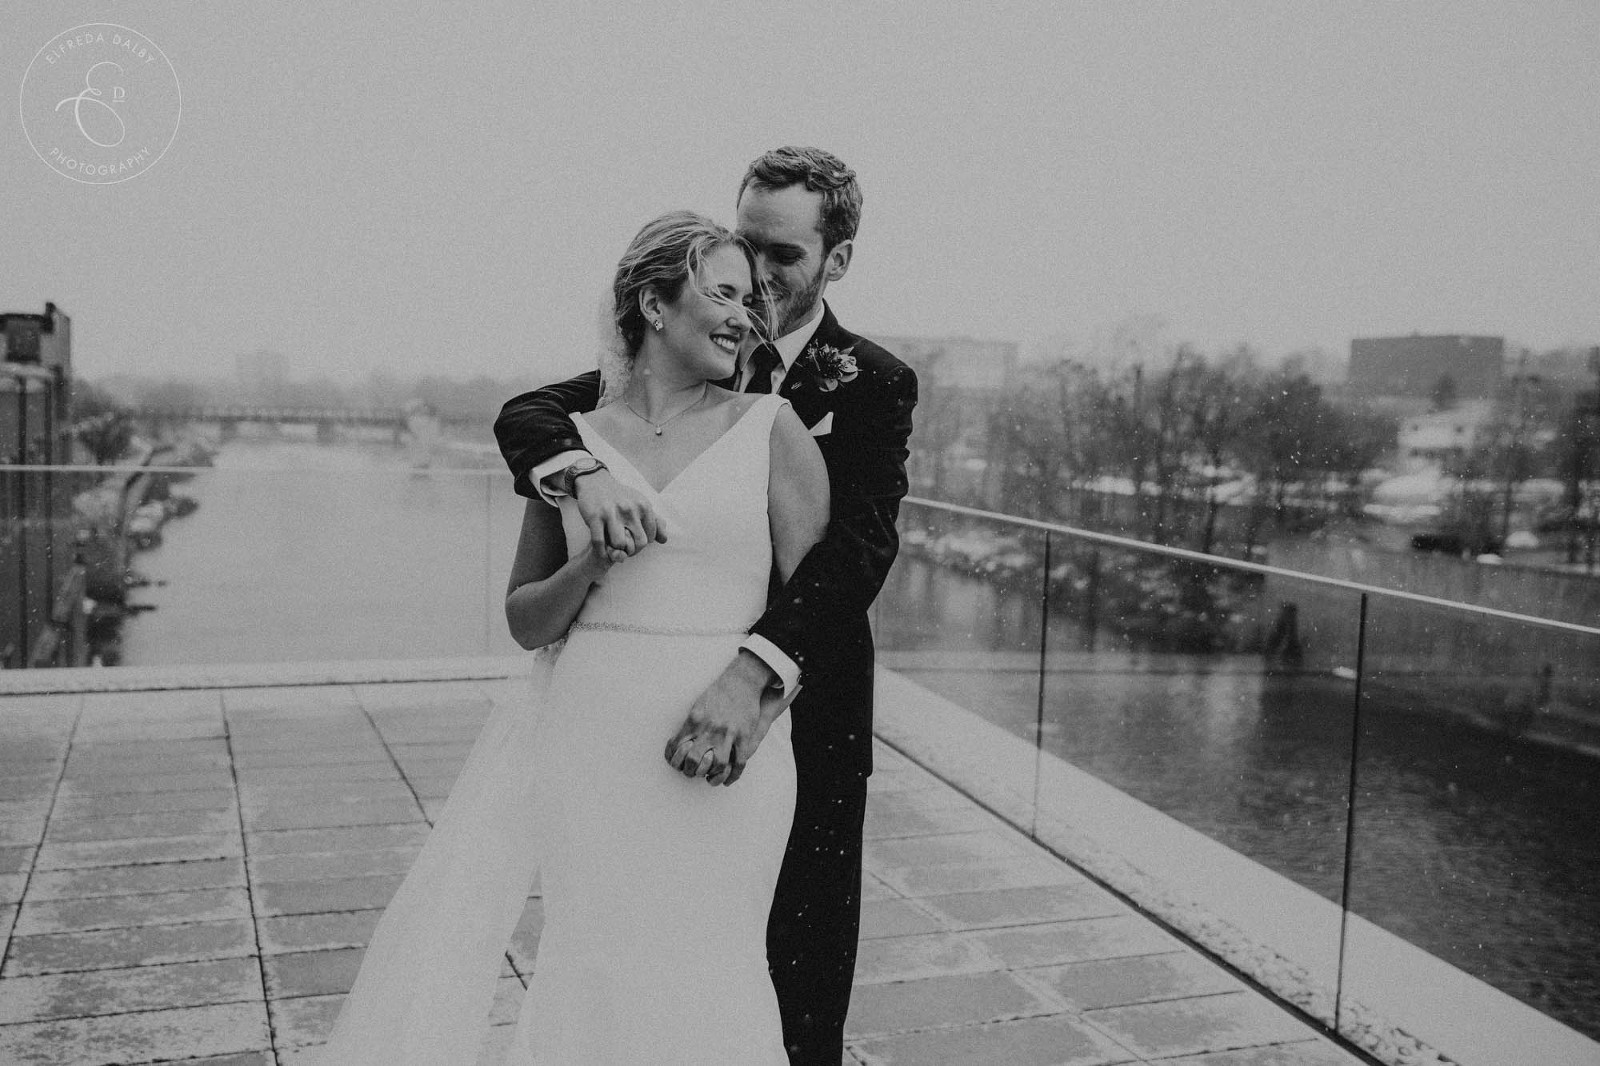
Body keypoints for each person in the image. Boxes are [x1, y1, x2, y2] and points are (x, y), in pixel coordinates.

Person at [315, 211, 829, 1064]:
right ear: (654, 305)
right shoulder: (573, 448)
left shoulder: (772, 428)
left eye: (751, 299)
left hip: (726, 735)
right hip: (590, 738)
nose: (747, 314)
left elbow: (820, 606)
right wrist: (590, 567)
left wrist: (762, 705)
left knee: (713, 960)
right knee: (592, 959)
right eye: (724, 292)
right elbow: (525, 619)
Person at [494, 146, 917, 1065]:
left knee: (789, 986)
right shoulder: (644, 370)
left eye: (782, 257)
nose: (755, 279)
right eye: (743, 247)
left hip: (795, 715)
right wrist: (572, 471)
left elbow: (855, 556)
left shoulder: (871, 381)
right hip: (614, 723)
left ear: (836, 261)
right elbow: (528, 414)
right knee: (619, 960)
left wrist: (753, 677)